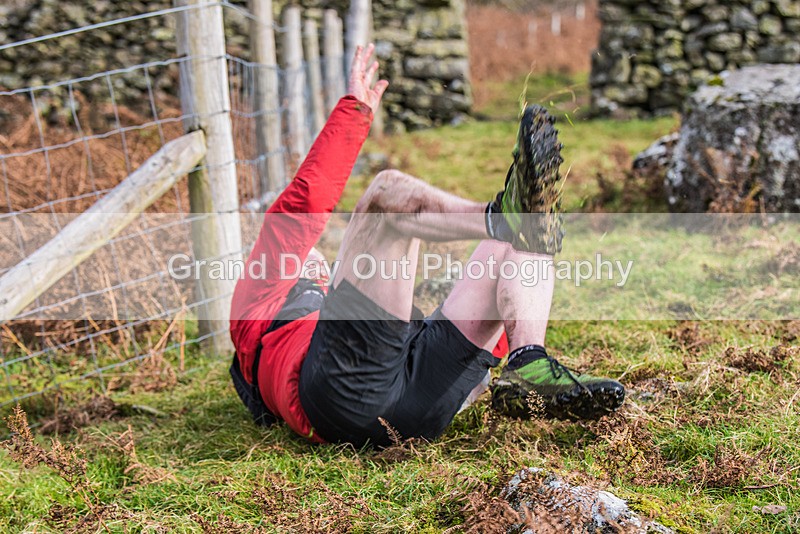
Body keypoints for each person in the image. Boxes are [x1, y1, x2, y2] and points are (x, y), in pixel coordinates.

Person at [229, 45, 624, 448]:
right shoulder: (259, 302)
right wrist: (352, 115)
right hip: (341, 393)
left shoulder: (328, 309)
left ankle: (528, 361)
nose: (313, 259)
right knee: (385, 193)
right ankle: (504, 216)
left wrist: (487, 352)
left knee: (508, 247)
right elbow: (302, 208)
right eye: (307, 260)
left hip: (418, 405)